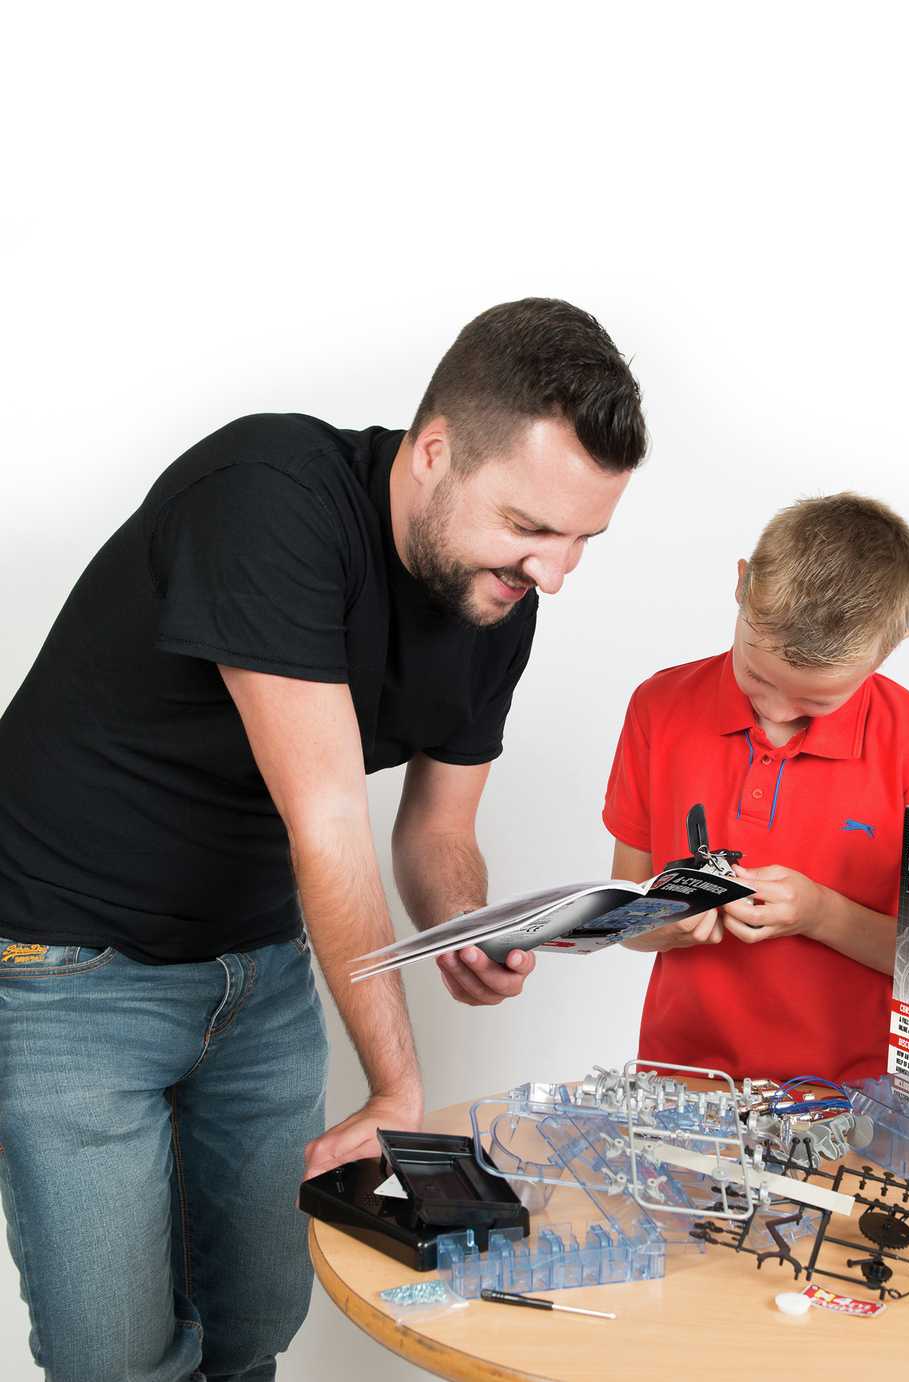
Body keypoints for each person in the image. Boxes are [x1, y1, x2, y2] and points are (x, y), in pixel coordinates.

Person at [0, 298, 647, 1381]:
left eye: (584, 538)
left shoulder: (498, 600)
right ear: (434, 450)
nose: (554, 571)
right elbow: (329, 821)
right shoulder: (271, 494)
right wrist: (401, 1087)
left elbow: (438, 829)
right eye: (531, 526)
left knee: (255, 1319)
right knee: (114, 1360)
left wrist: (464, 924)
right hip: (70, 967)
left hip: (256, 971)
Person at [602, 493, 909, 1086]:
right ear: (742, 585)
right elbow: (625, 909)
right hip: (682, 1082)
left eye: (814, 702)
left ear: (893, 645)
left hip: (860, 1103)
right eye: (756, 675)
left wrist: (821, 914)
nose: (773, 711)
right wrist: (662, 923)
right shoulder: (659, 708)